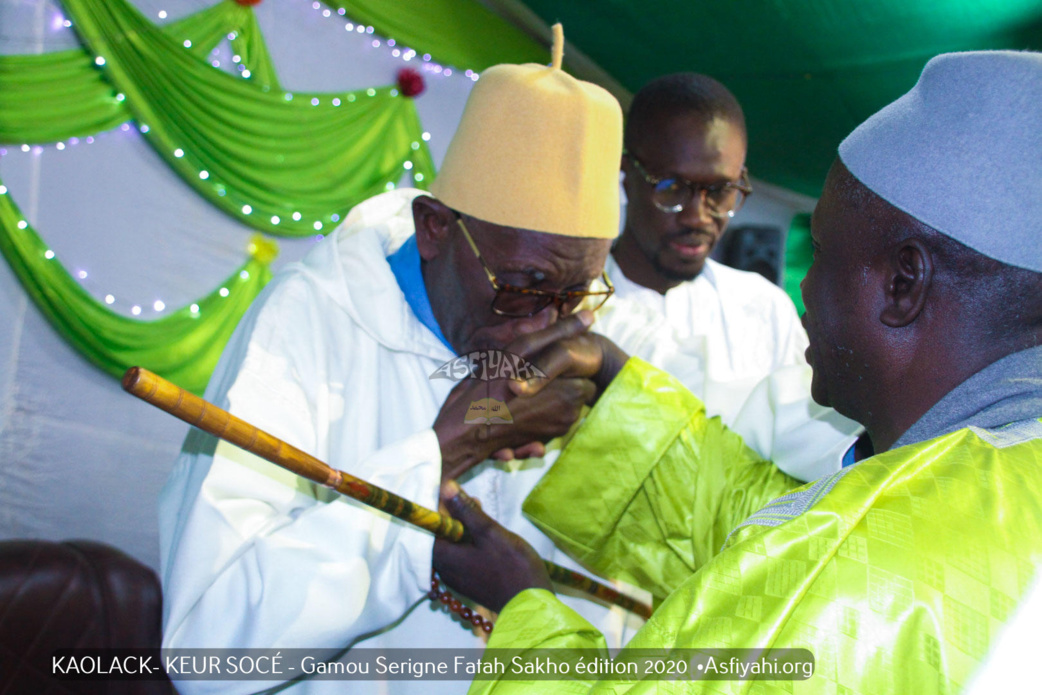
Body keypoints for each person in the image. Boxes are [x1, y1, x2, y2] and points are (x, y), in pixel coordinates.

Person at [433, 50, 1042, 694]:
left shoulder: (861, 584)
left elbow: (817, 557)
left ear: (902, 283)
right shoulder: (999, 475)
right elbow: (784, 531)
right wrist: (617, 378)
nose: (803, 287)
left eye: (825, 255)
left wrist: (524, 603)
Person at [159, 26, 646, 695]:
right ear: (436, 227)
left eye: (572, 294)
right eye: (520, 287)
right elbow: (205, 653)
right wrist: (444, 452)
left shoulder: (577, 351)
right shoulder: (305, 327)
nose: (543, 326)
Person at [605, 73, 860, 480]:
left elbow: (809, 445)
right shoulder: (579, 307)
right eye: (671, 187)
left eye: (721, 192)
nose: (697, 216)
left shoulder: (763, 308)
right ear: (625, 174)